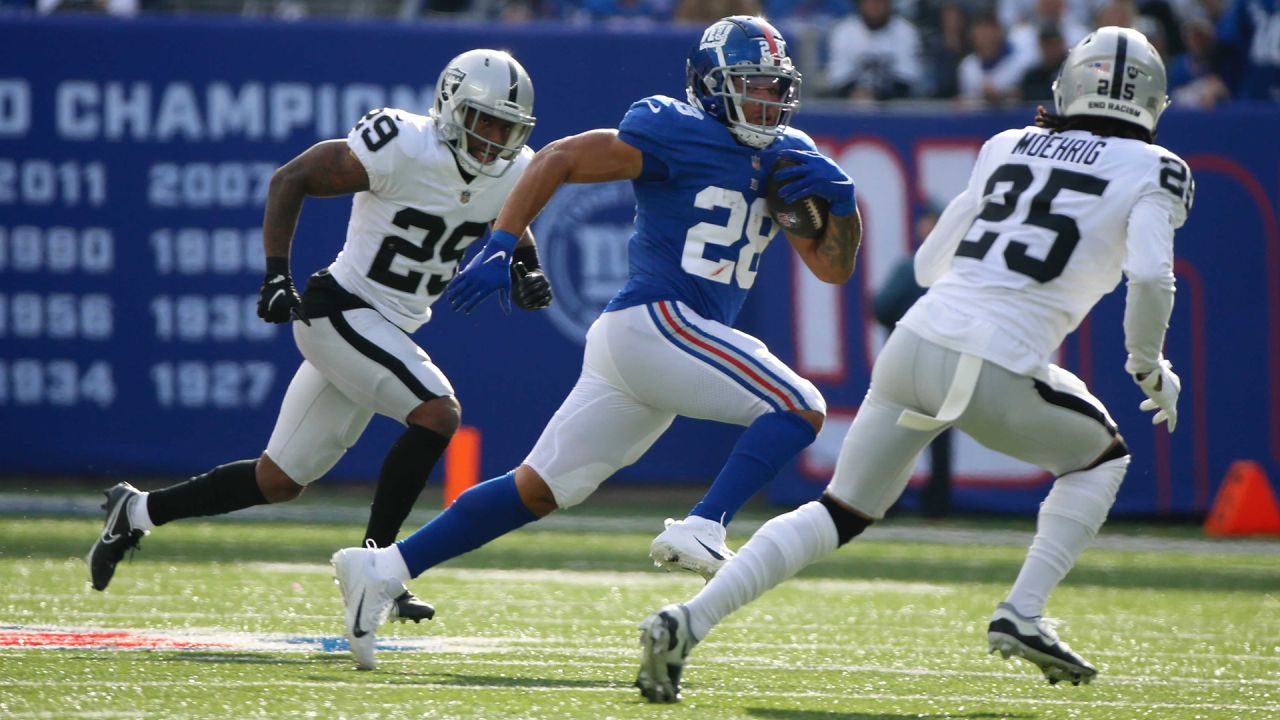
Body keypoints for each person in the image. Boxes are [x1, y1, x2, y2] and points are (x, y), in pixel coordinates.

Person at [636, 26, 1193, 702]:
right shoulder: (1157, 169)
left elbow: (931, 263)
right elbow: (1152, 278)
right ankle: (1022, 610)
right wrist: (1146, 362)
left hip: (915, 341)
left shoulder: (1007, 143)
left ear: (1069, 82)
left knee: (837, 512)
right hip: (996, 358)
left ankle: (684, 623)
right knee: (1103, 458)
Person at [328, 15, 862, 671]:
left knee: (538, 488)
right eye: (750, 86)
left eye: (776, 89)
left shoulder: (788, 155)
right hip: (657, 320)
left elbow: (834, 267)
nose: (767, 102)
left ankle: (382, 567)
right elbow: (558, 157)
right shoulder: (675, 128)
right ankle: (704, 523)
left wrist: (844, 210)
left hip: (648, 346)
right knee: (798, 404)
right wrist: (502, 242)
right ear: (709, 84)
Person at [85, 49, 551, 624]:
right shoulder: (404, 143)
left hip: (385, 329)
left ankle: (136, 512)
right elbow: (293, 177)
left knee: (277, 479)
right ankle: (380, 569)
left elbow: (509, 212)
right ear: (451, 107)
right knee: (437, 412)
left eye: (508, 128)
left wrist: (526, 265)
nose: (495, 139)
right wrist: (276, 273)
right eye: (486, 121)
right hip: (341, 309)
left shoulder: (512, 169)